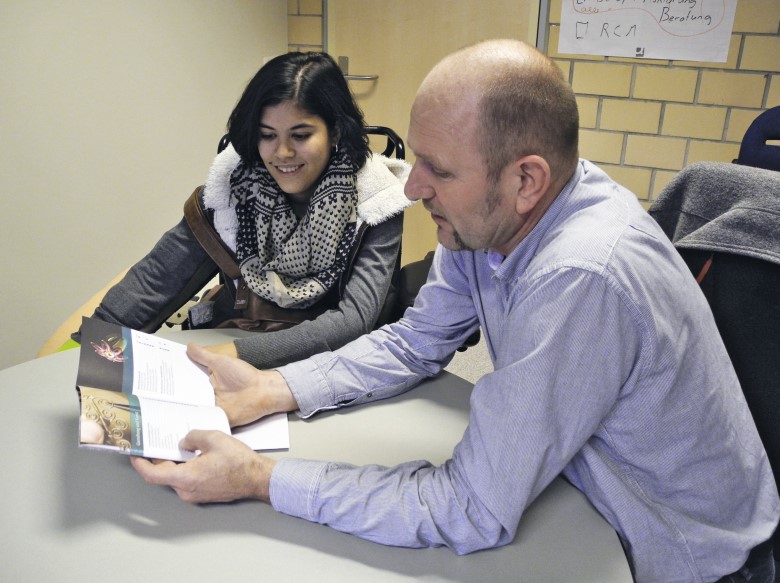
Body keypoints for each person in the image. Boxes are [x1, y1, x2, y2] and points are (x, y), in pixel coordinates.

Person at [131, 40, 780, 583]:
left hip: (682, 555)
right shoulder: (492, 215)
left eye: (437, 170)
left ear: (525, 180)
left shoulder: (579, 275)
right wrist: (276, 386)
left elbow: (471, 506)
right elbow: (417, 339)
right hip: (581, 483)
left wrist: (260, 477)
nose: (412, 188)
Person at [53, 51, 412, 369]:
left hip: (329, 368)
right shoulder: (231, 192)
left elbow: (355, 319)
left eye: (300, 136)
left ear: (334, 131)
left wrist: (238, 357)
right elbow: (157, 279)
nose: (281, 153)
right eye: (267, 135)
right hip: (232, 345)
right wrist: (82, 352)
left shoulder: (376, 200)